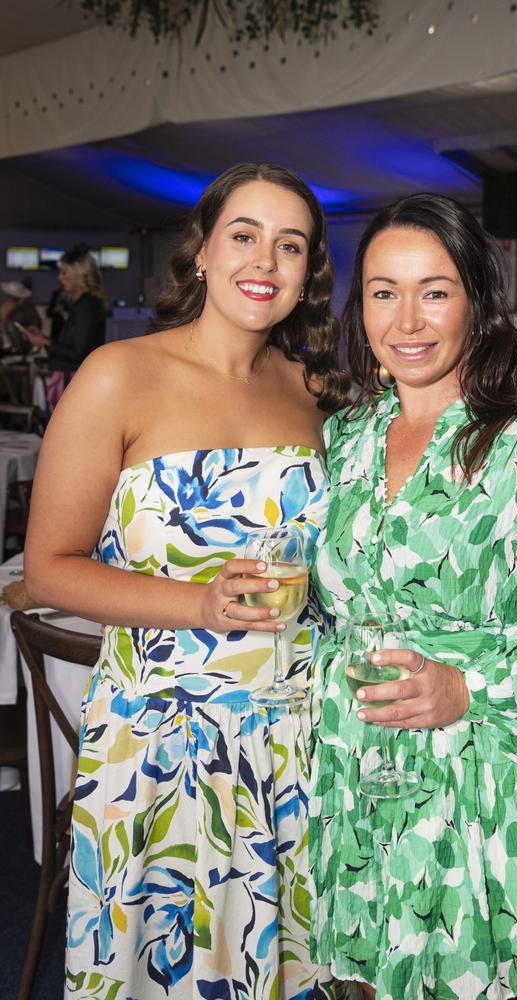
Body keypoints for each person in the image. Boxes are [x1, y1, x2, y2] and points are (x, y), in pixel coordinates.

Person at [308, 194, 517, 1000]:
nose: (408, 319)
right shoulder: (345, 440)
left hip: (486, 787)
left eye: (435, 290)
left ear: (477, 301)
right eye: (384, 291)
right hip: (361, 775)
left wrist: (470, 686)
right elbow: (338, 600)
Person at [25, 163, 348, 998]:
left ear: (306, 273)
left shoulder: (316, 392)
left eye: (290, 246)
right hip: (165, 742)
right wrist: (199, 603)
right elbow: (48, 568)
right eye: (244, 236)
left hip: (294, 741)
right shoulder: (117, 375)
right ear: (203, 251)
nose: (264, 261)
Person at [21, 244, 106, 405]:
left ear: (80, 276)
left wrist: (45, 342)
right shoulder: (84, 303)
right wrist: (43, 337)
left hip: (74, 379)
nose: (59, 278)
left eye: (64, 273)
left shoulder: (85, 306)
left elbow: (78, 353)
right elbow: (74, 344)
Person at [0, 279, 42, 355]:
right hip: (10, 347)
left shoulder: (28, 309)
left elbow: (36, 325)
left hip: (20, 347)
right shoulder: (4, 307)